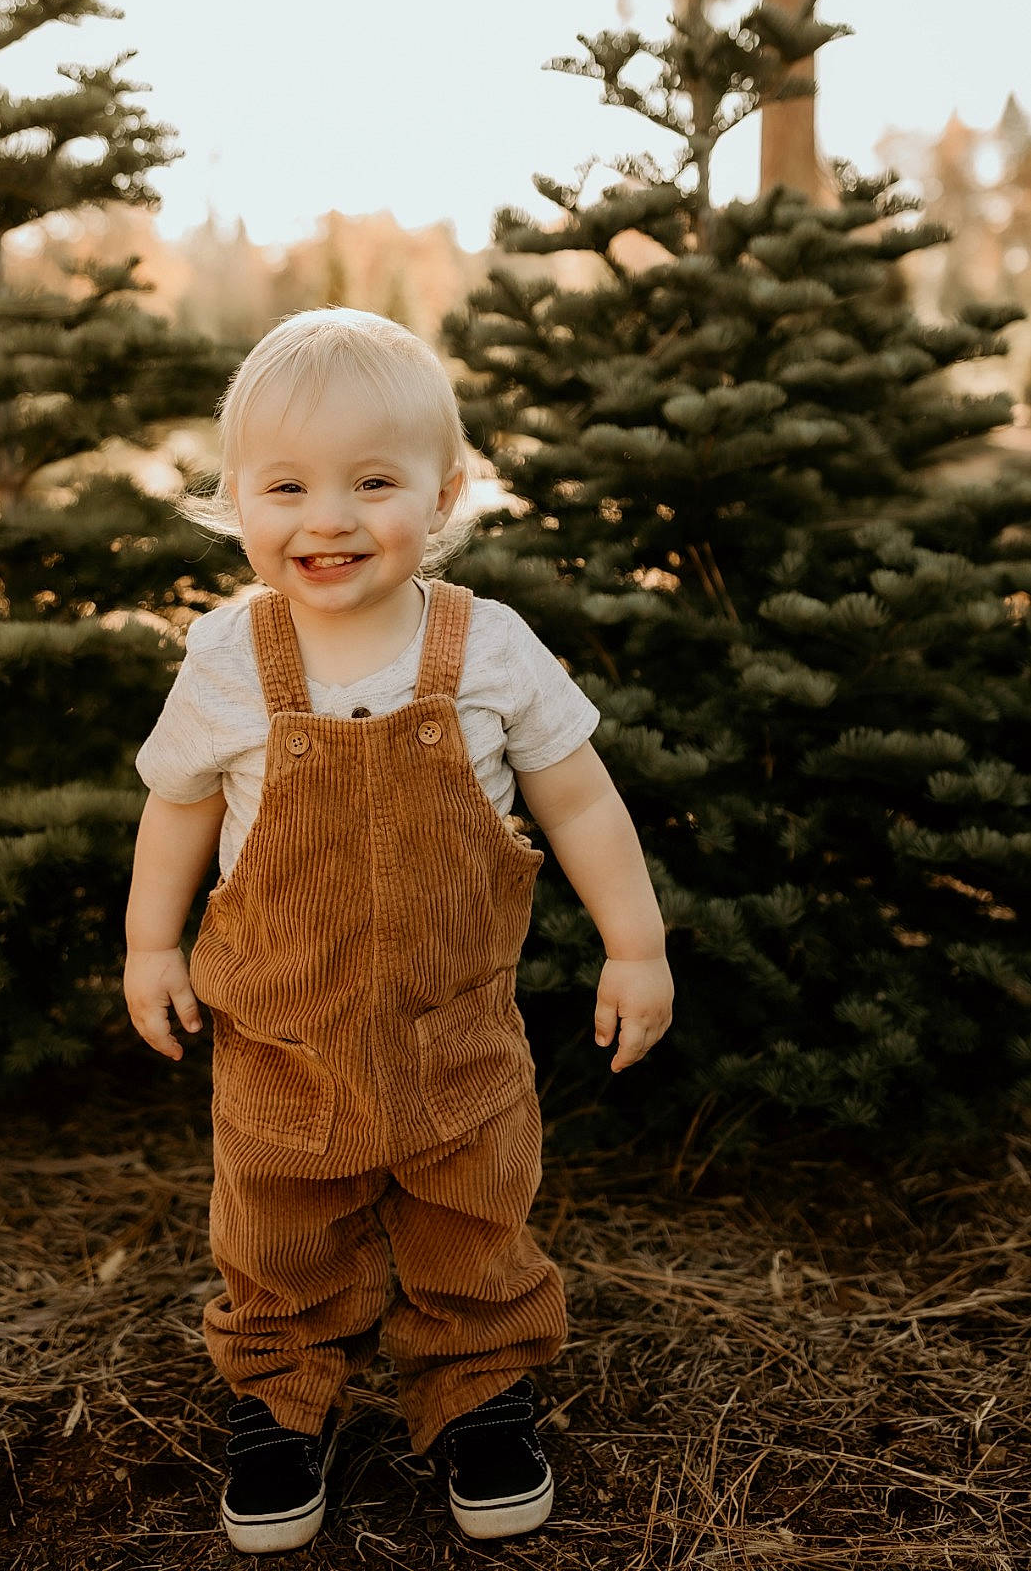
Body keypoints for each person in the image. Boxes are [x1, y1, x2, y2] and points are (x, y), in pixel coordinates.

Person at [124, 307, 673, 1553]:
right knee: (275, 1224)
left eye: (372, 481)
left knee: (472, 1214)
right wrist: (151, 945)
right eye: (286, 486)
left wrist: (634, 944)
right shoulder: (228, 655)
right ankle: (279, 1397)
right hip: (281, 1029)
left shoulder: (488, 648)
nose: (326, 518)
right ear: (233, 498)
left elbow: (580, 798)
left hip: (451, 1027)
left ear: (444, 491)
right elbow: (176, 803)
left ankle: (479, 1387)